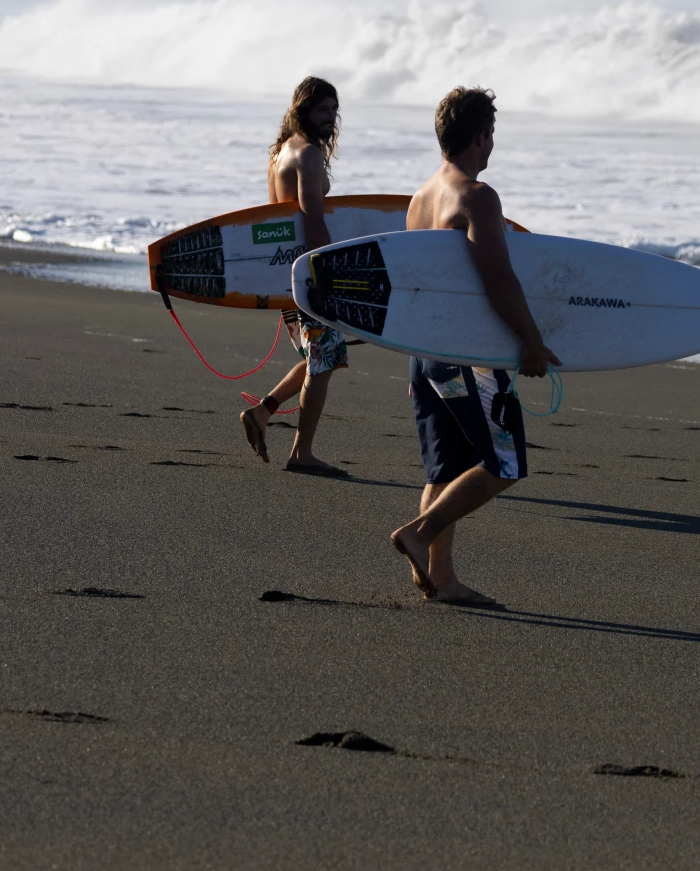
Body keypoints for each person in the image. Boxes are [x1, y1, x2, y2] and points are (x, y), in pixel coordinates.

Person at [390, 86, 560, 605]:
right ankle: (418, 534)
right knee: (504, 464)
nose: (492, 147)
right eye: (492, 136)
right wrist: (531, 341)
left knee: (444, 469)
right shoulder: (477, 197)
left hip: (425, 351)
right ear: (480, 137)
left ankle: (441, 578)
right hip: (466, 356)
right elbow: (498, 278)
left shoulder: (421, 198)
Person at [239, 76, 349, 477]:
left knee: (324, 357)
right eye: (323, 109)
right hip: (307, 277)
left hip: (284, 275)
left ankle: (261, 413)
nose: (331, 117)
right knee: (322, 363)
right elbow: (313, 223)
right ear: (304, 108)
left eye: (335, 109)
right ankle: (302, 453)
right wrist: (325, 277)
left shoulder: (281, 152)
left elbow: (279, 221)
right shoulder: (308, 156)